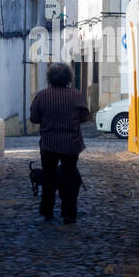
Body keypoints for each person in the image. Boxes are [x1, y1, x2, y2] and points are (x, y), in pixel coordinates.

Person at [29, 62, 92, 224]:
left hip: (49, 145)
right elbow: (85, 116)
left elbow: (34, 118)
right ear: (68, 78)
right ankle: (69, 213)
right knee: (69, 178)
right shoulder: (76, 95)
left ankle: (47, 210)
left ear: (50, 78)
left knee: (49, 178)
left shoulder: (42, 96)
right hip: (71, 145)